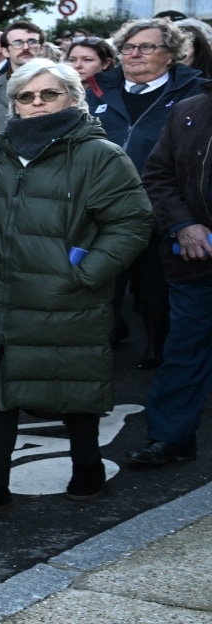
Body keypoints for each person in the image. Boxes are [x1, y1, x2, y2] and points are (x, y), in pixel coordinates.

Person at [0, 60, 152, 520]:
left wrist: (83, 274)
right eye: (25, 96)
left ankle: (87, 466)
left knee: (68, 380)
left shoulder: (101, 154)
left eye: (49, 94)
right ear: (13, 102)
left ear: (74, 98)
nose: (36, 104)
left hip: (63, 295)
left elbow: (131, 223)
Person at [89, 18, 206, 371]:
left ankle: (158, 349)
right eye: (128, 48)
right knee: (99, 287)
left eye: (147, 47)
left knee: (156, 290)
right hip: (103, 208)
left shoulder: (192, 94)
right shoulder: (96, 91)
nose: (135, 55)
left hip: (162, 207)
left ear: (171, 54)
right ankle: (93, 351)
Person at [130, 76, 212, 465]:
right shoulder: (188, 111)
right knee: (184, 349)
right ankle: (171, 437)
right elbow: (157, 177)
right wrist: (183, 224)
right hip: (195, 258)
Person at [0, 22, 46, 132]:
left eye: (32, 42)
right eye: (17, 43)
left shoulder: (61, 86)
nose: (26, 47)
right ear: (5, 51)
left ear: (41, 49)